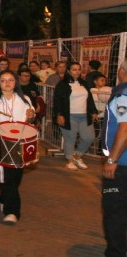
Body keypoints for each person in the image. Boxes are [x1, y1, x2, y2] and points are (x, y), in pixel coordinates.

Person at [0, 70, 37, 224]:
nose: (7, 83)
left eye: (10, 80)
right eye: (3, 80)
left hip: (21, 142)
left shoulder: (24, 99)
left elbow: (30, 120)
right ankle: (12, 212)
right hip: (0, 143)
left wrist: (31, 116)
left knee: (16, 176)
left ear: (15, 82)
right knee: (7, 178)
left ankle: (4, 197)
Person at [100, 59, 127, 257]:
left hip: (123, 165)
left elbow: (125, 129)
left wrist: (112, 159)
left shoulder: (122, 95)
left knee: (115, 212)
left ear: (121, 70)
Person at [53, 62, 99, 171]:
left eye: (79, 69)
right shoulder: (62, 85)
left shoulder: (84, 83)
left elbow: (90, 99)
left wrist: (94, 111)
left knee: (89, 137)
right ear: (68, 71)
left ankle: (77, 157)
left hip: (84, 116)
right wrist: (59, 115)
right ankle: (69, 161)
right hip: (69, 116)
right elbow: (57, 101)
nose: (77, 71)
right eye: (74, 69)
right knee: (70, 139)